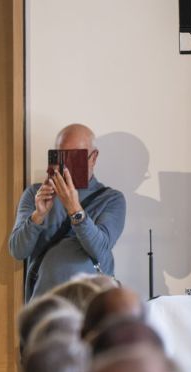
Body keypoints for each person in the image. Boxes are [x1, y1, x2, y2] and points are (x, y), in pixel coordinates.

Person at [9, 124, 126, 301]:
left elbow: (100, 250)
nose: (67, 166)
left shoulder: (111, 199)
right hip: (44, 305)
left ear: (93, 158)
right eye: (62, 156)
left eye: (76, 157)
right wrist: (38, 216)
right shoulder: (35, 194)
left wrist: (74, 209)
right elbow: (17, 251)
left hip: (93, 306)